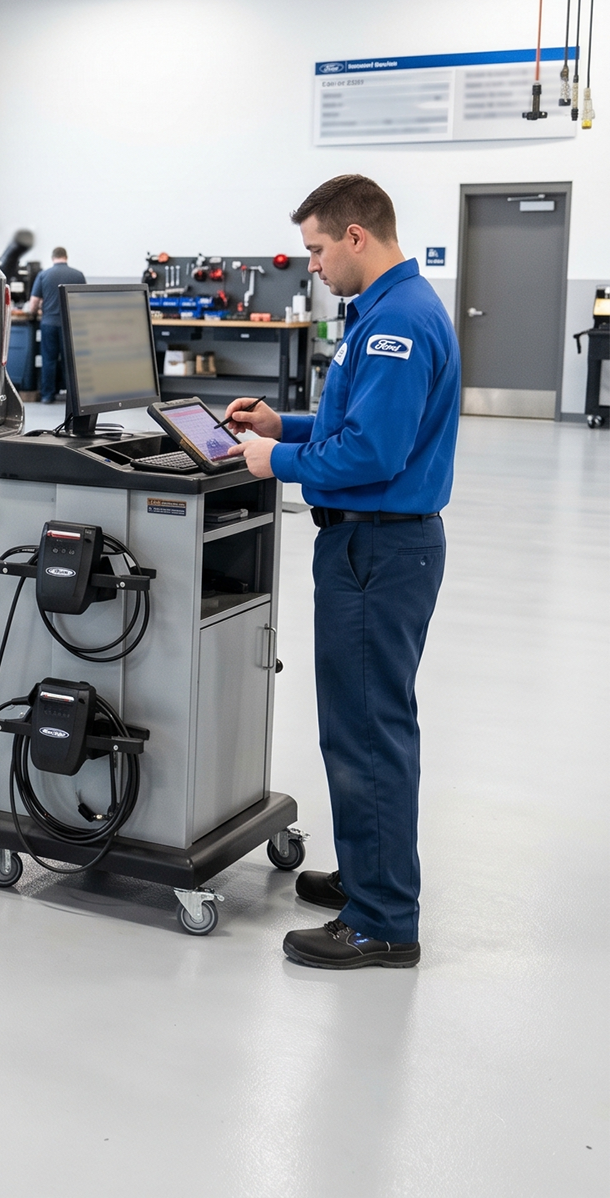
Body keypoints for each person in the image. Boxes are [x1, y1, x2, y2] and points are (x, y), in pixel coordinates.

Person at [222, 174, 458, 971]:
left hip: (377, 550)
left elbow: (373, 452)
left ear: (357, 236)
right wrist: (280, 422)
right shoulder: (386, 311)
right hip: (375, 545)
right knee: (359, 724)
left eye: (318, 249)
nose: (312, 265)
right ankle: (369, 879)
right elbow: (354, 421)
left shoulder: (397, 323)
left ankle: (385, 919)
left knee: (367, 732)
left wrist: (275, 459)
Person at [26, 247, 86, 402]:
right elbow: (84, 301)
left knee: (49, 360)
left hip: (49, 323)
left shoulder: (43, 275)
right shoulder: (78, 275)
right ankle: (72, 397)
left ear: (53, 258)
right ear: (66, 257)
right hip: (70, 325)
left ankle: (47, 395)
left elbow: (34, 302)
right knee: (70, 361)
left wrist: (34, 313)